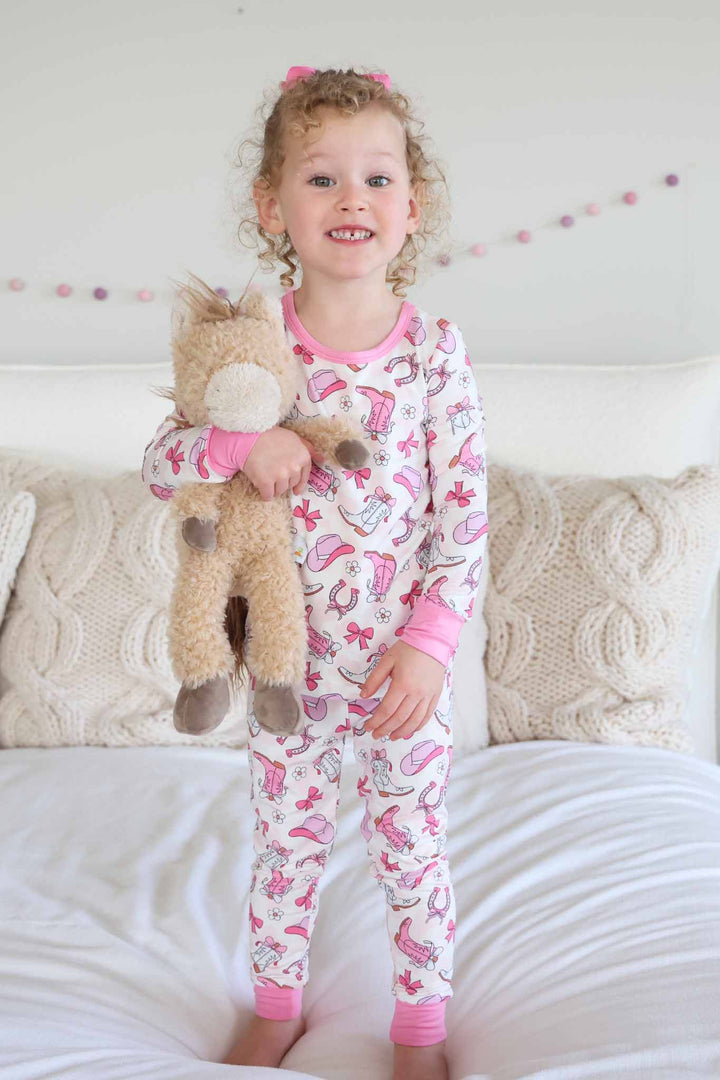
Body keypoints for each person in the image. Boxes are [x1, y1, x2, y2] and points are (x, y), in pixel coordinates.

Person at [141, 65, 488, 1080]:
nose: (353, 200)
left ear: (412, 208)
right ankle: (277, 1007)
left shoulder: (433, 353)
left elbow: (464, 520)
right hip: (285, 674)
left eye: (378, 179)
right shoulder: (250, 350)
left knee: (410, 849)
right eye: (322, 178)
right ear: (272, 206)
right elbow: (164, 467)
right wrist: (236, 447)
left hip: (399, 677)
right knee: (284, 845)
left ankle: (419, 1032)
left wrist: (429, 649)